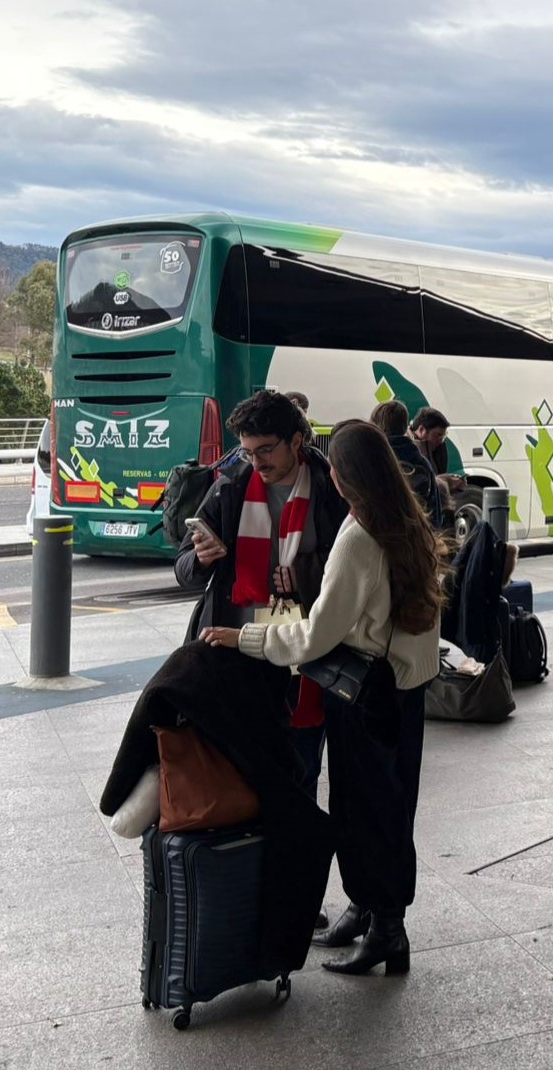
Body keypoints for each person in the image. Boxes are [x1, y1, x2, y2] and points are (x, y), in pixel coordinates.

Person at [200, 421, 443, 976]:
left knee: (365, 810)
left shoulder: (359, 537)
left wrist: (246, 638)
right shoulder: (408, 520)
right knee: (389, 806)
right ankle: (368, 911)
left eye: (334, 465)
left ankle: (387, 929)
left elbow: (315, 636)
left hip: (363, 695)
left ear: (346, 475)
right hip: (403, 690)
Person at [175, 390, 348, 785]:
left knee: (302, 768)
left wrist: (305, 579)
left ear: (296, 441)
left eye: (266, 450)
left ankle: (298, 845)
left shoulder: (329, 491)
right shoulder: (229, 489)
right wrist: (201, 559)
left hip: (303, 655)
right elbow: (183, 569)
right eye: (248, 452)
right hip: (238, 651)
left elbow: (351, 572)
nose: (257, 462)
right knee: (244, 776)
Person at [371, 400, 446, 530]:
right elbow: (436, 518)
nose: (440, 441)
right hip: (415, 539)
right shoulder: (422, 462)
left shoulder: (371, 459)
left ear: (377, 426)